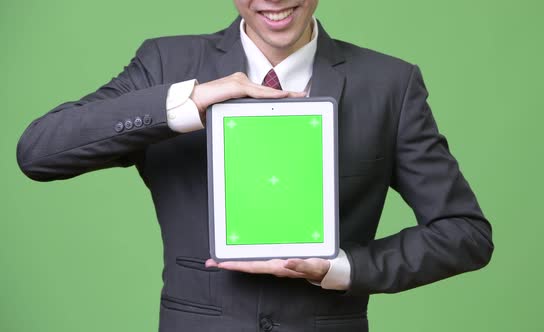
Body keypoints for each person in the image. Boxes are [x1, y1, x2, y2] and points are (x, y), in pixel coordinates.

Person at [16, 0, 494, 331]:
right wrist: (192, 101)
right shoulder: (166, 63)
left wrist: (341, 268)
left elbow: (464, 233)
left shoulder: (391, 83)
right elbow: (39, 152)